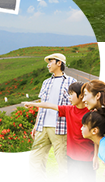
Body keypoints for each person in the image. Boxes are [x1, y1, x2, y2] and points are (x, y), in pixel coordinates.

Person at [24, 82, 96, 182]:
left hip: (87, 157)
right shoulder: (69, 109)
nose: (69, 97)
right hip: (71, 157)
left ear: (81, 96)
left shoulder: (91, 113)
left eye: (71, 94)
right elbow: (49, 105)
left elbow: (96, 138)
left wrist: (95, 156)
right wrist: (33, 104)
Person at [28, 53, 78, 182]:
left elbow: (75, 106)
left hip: (61, 127)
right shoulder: (46, 82)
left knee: (63, 162)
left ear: (59, 63)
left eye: (50, 62)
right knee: (35, 159)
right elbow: (42, 104)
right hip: (42, 127)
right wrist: (36, 124)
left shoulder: (71, 82)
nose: (48, 65)